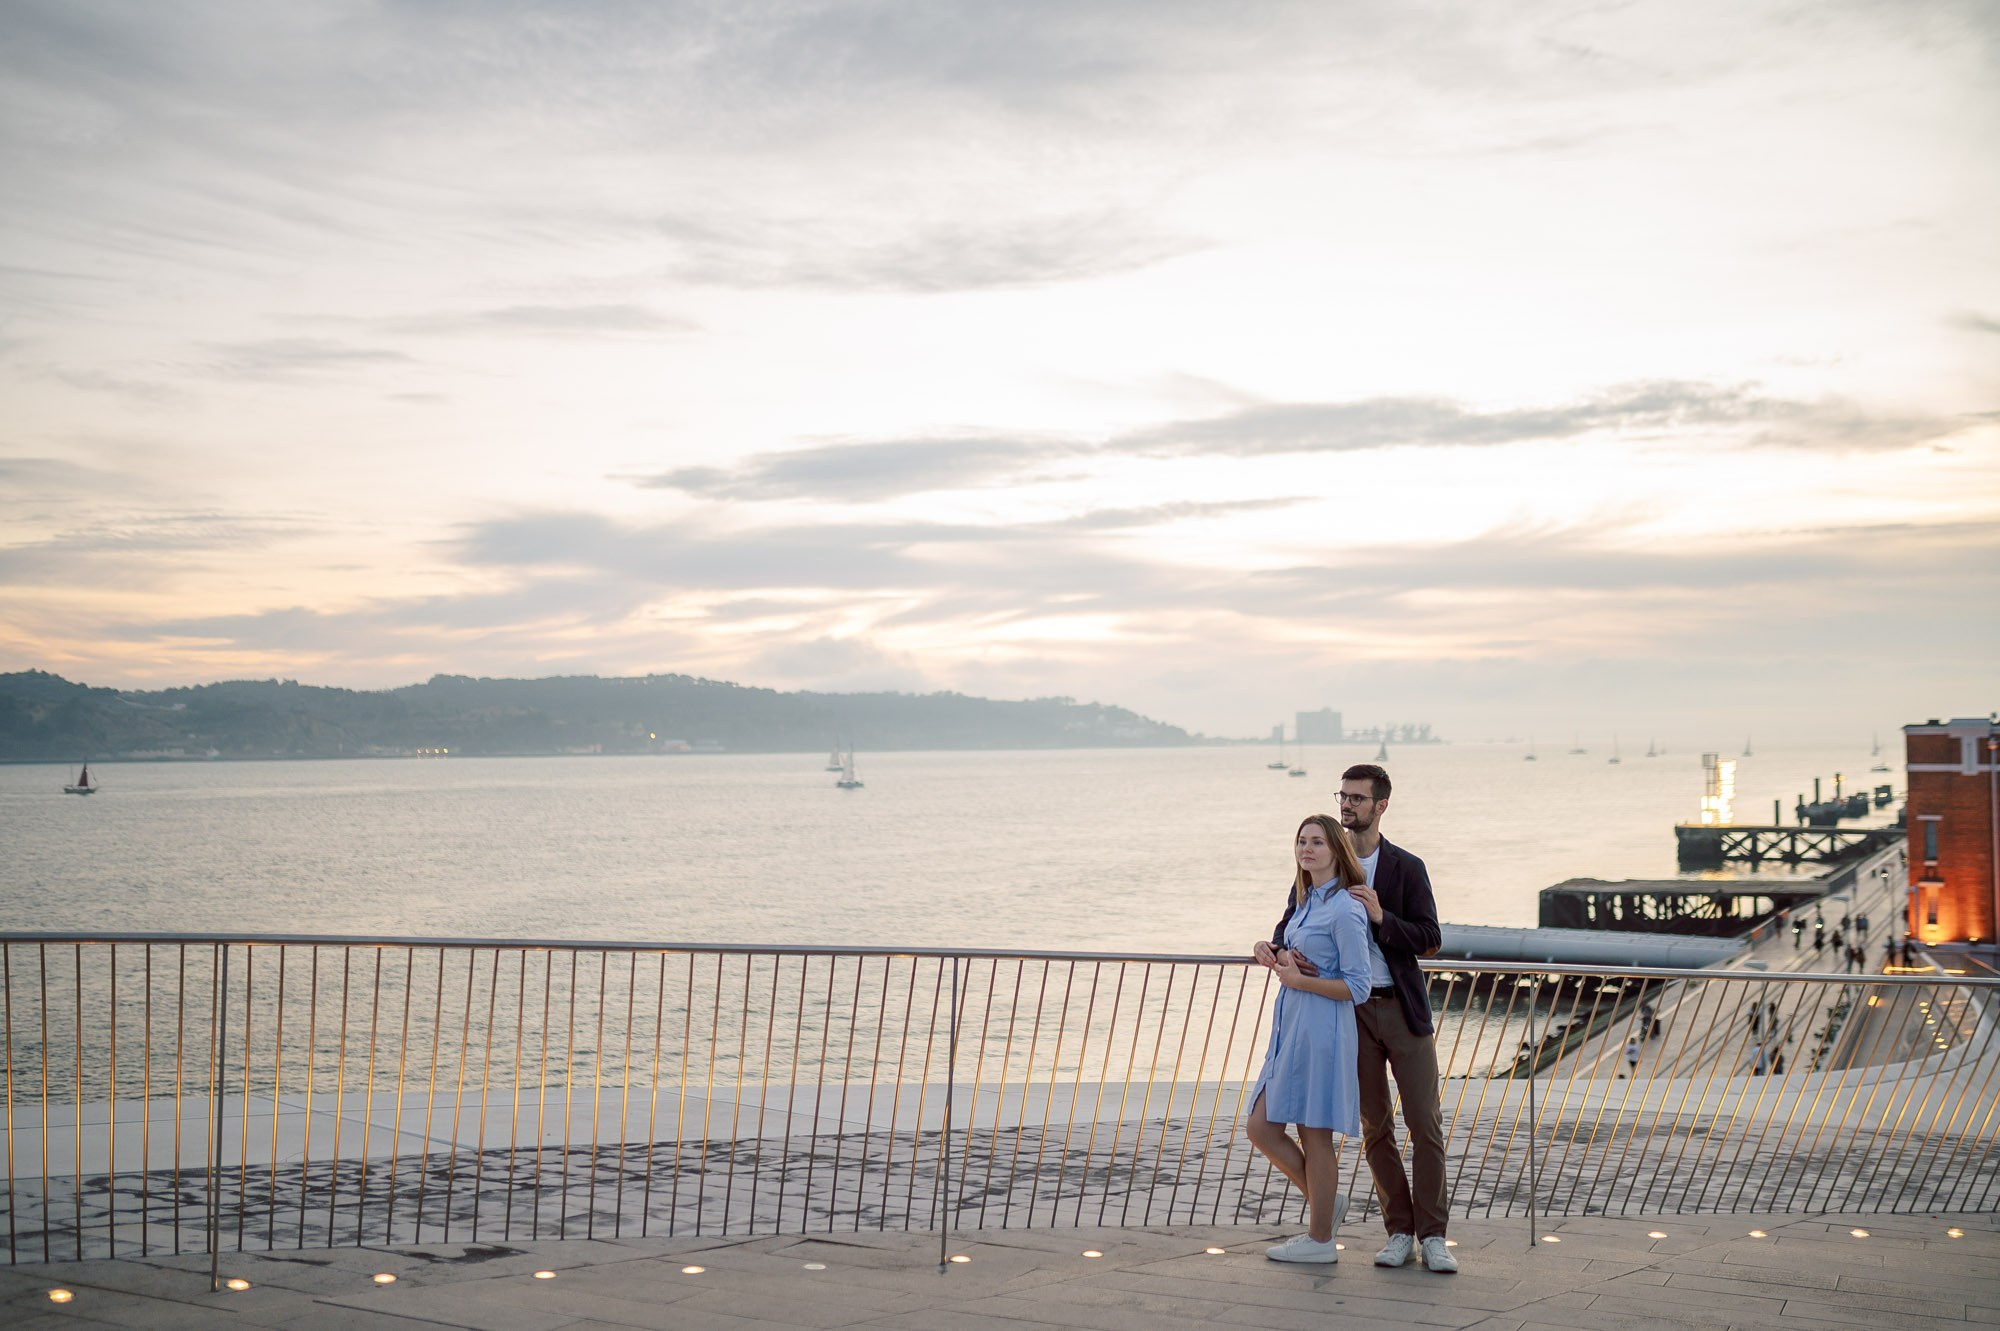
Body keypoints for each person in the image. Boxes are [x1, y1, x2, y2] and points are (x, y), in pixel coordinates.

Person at [1275, 763, 1452, 1274]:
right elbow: (1293, 919)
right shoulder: (1324, 862)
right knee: (1375, 1127)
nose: (1347, 804)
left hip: (1401, 1006)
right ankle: (1398, 1231)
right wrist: (1275, 947)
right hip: (1348, 1013)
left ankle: (1434, 1235)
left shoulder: (1405, 867)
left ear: (1381, 805)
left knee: (1425, 1123)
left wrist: (1380, 917)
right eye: (1343, 796)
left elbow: (1430, 938)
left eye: (1357, 797)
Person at [1248, 815, 1375, 1263]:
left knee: (1314, 1134)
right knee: (1260, 1127)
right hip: (1292, 1027)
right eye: (1302, 841)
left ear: (1336, 849)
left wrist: (1300, 982)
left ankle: (1321, 1241)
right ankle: (1326, 1207)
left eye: (1317, 841)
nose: (1307, 848)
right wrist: (1276, 950)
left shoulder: (1344, 908)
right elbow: (1296, 953)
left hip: (1322, 1030)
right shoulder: (1307, 900)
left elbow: (1358, 985)